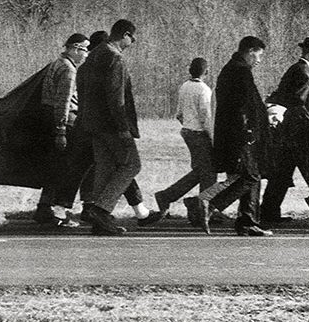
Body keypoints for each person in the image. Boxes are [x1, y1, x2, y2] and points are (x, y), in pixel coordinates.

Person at [190, 36, 274, 236]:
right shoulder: (240, 71)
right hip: (241, 134)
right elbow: (243, 106)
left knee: (249, 175)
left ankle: (247, 221)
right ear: (250, 50)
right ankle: (207, 204)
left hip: (236, 133)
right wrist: (250, 130)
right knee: (251, 176)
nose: (260, 60)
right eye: (259, 55)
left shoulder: (233, 69)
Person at [260, 37, 309, 228]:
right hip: (298, 132)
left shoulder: (299, 69)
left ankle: (269, 212)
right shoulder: (303, 73)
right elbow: (299, 105)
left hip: (288, 132)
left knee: (281, 174)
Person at [75, 19, 141, 235]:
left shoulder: (92, 57)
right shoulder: (115, 58)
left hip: (92, 123)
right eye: (132, 36)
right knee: (131, 165)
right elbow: (116, 97)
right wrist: (123, 126)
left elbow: (82, 88)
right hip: (111, 124)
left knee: (104, 167)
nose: (133, 40)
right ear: (123, 35)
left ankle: (98, 221)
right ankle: (102, 210)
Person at [143, 58, 219, 228]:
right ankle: (202, 209)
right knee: (209, 173)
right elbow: (205, 117)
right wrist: (212, 138)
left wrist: (188, 126)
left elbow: (179, 114)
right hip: (199, 133)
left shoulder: (184, 86)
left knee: (202, 171)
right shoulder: (204, 89)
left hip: (186, 131)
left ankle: (171, 197)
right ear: (206, 72)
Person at [32, 33, 90, 228]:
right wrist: (61, 130)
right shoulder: (69, 70)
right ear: (74, 48)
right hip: (66, 122)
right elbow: (63, 102)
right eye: (84, 49)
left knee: (54, 167)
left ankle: (44, 207)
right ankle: (60, 211)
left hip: (49, 118)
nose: (86, 54)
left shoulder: (56, 63)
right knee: (68, 168)